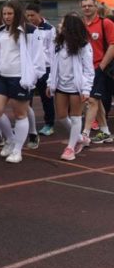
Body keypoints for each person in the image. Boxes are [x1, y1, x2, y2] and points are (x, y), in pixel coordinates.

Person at [0, 0, 45, 165]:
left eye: (10, 14)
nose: (6, 17)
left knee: (20, 114)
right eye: (4, 14)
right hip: (1, 77)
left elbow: (37, 57)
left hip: (20, 78)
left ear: (17, 14)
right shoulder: (0, 31)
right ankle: (11, 139)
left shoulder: (30, 31)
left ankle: (17, 150)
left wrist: (31, 78)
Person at [47, 13, 93, 161]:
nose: (60, 26)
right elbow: (53, 66)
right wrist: (50, 83)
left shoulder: (84, 46)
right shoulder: (58, 43)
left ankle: (70, 148)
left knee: (75, 117)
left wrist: (86, 89)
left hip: (76, 87)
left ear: (70, 27)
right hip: (60, 86)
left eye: (63, 24)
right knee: (61, 116)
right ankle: (80, 137)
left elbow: (88, 70)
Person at [79, 0, 114, 146]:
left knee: (92, 100)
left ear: (96, 7)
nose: (87, 8)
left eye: (90, 6)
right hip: (85, 69)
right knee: (96, 101)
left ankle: (85, 134)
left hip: (100, 68)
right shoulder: (80, 25)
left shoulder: (105, 23)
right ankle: (105, 132)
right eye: (84, 6)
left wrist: (101, 67)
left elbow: (113, 45)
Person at [25, 2, 56, 138]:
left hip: (45, 68)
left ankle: (49, 124)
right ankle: (26, 124)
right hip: (29, 68)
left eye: (32, 15)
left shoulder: (49, 29)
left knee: (46, 97)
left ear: (39, 14)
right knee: (26, 98)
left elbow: (52, 51)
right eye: (27, 16)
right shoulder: (25, 29)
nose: (30, 18)